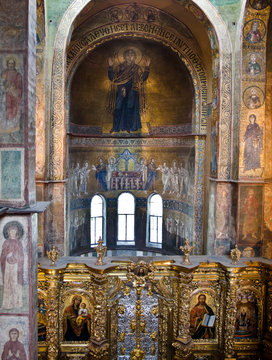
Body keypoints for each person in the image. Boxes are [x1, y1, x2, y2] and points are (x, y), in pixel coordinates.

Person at [106, 48, 150, 133]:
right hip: (121, 89)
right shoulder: (120, 67)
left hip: (132, 90)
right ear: (124, 57)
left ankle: (129, 126)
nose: (130, 56)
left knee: (130, 107)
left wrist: (147, 67)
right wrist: (110, 66)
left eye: (132, 54)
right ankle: (115, 127)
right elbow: (113, 78)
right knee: (118, 107)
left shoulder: (137, 68)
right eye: (128, 54)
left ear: (134, 57)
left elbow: (142, 78)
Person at [0, 221, 24, 310]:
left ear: (17, 232)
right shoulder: (6, 242)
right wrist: (7, 255)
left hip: (16, 267)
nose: (12, 233)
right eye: (11, 231)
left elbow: (21, 256)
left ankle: (16, 303)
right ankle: (7, 304)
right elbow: (2, 255)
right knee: (8, 283)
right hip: (7, 267)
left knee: (15, 283)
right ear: (8, 232)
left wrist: (15, 256)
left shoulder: (19, 243)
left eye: (14, 231)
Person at [1, 58, 22, 130]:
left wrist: (13, 90)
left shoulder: (17, 75)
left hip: (14, 95)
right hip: (6, 95)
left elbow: (19, 87)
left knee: (13, 110)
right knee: (6, 109)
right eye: (9, 63)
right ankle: (5, 126)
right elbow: (2, 84)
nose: (11, 65)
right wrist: (5, 87)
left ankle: (13, 126)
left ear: (14, 65)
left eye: (12, 63)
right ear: (7, 64)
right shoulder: (4, 73)